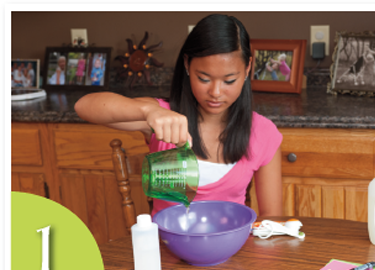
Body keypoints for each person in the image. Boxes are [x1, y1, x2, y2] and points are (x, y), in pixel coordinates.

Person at [75, 14, 283, 217]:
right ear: (187, 64)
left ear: (247, 68)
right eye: (204, 78)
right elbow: (84, 106)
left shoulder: (263, 133)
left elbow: (272, 217)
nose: (216, 92)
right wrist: (149, 111)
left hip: (231, 248)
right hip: (164, 248)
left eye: (229, 81)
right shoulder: (162, 116)